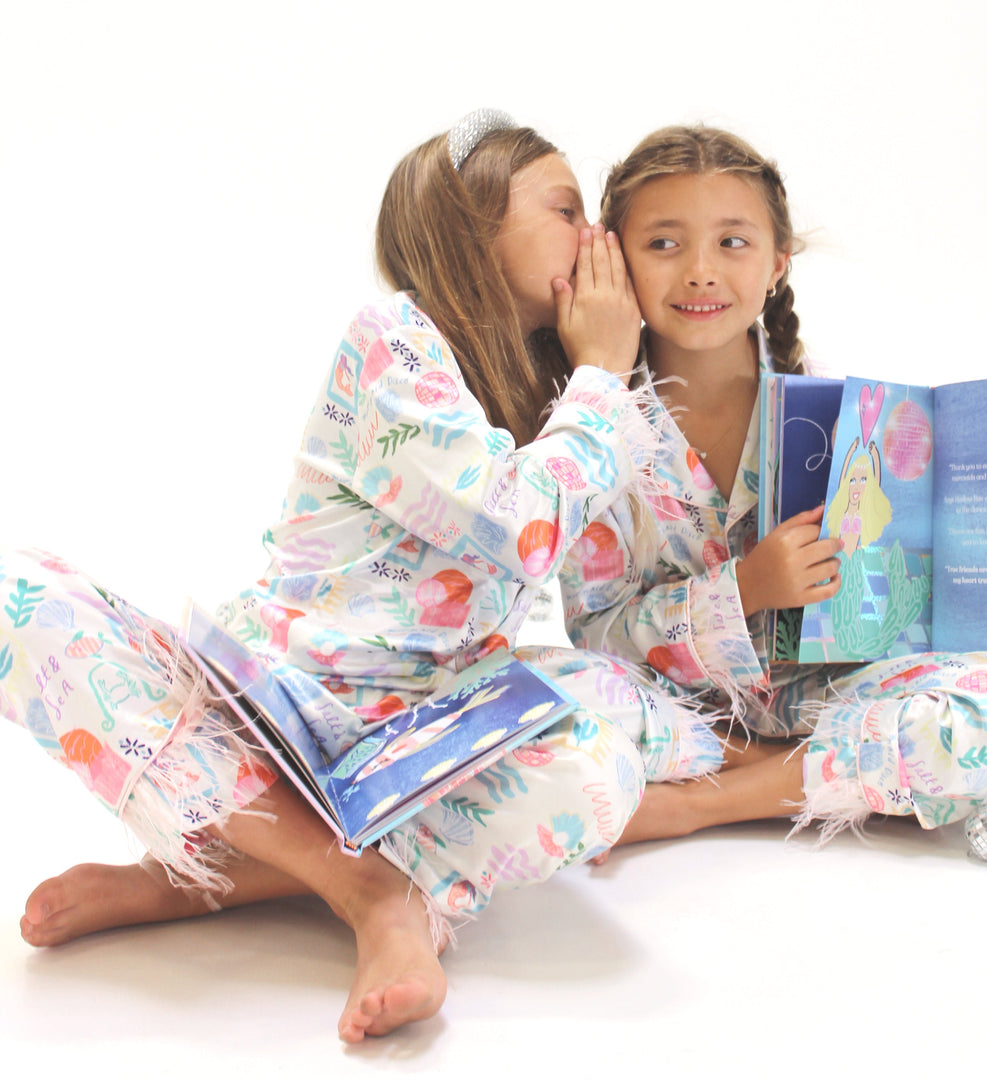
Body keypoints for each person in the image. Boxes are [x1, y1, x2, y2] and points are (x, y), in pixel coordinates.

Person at [2, 110, 727, 1041]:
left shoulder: (564, 386)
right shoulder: (394, 336)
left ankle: (223, 880)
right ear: (472, 227)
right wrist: (600, 374)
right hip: (271, 706)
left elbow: (596, 605)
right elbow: (516, 528)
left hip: (422, 740)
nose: (595, 240)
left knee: (600, 762)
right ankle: (374, 892)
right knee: (16, 596)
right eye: (565, 209)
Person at [558, 124, 987, 846]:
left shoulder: (844, 420)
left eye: (732, 242)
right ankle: (813, 772)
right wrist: (741, 590)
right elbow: (596, 636)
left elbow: (899, 622)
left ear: (777, 262)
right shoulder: (593, 429)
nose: (701, 271)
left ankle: (702, 804)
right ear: (615, 260)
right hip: (673, 712)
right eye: (664, 244)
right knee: (547, 684)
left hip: (826, 698)